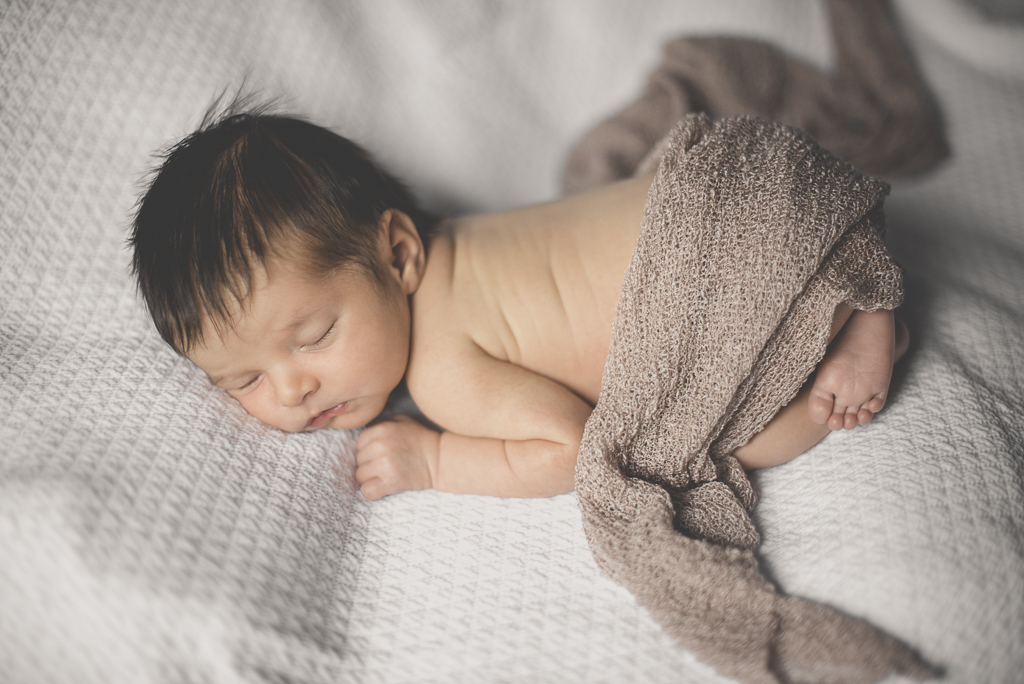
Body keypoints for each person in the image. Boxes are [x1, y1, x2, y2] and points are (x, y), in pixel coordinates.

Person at [130, 107, 908, 501]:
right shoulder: (471, 237)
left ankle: (862, 314)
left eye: (314, 334)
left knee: (729, 443)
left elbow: (571, 448)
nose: (292, 389)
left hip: (724, 261)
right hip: (754, 181)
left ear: (398, 253)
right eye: (242, 382)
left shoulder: (440, 366)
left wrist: (435, 459)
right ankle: (849, 284)